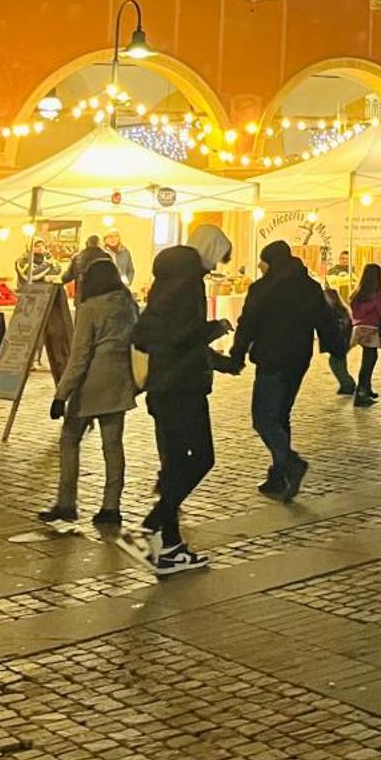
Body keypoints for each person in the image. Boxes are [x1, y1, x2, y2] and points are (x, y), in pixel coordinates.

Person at [122, 246, 233, 575]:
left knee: (173, 467)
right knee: (201, 457)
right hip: (184, 389)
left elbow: (141, 338)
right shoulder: (187, 293)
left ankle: (170, 546)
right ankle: (150, 526)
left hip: (160, 390)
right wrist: (215, 328)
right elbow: (184, 338)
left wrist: (218, 361)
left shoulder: (158, 297)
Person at [229, 240, 334, 502]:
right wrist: (335, 346)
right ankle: (279, 475)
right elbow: (325, 319)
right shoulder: (310, 287)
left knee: (263, 418)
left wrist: (237, 352)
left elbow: (248, 323)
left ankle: (290, 463)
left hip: (272, 358)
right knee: (280, 415)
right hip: (299, 359)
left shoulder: (264, 288)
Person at [39, 256, 139, 529]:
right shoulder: (128, 304)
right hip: (120, 381)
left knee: (70, 439)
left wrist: (61, 394)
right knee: (113, 446)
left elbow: (80, 356)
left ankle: (66, 503)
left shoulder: (90, 308)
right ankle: (111, 506)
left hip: (91, 384)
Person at [350, 262, 381, 407]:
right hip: (371, 329)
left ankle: (366, 388)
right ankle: (361, 392)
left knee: (367, 359)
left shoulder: (358, 294)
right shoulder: (376, 294)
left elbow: (354, 311)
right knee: (369, 360)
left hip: (359, 328)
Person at [321, 284, 358, 393]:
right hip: (340, 342)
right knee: (338, 363)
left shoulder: (336, 312)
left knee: (337, 363)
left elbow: (341, 327)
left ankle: (348, 384)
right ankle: (345, 384)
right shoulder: (340, 310)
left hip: (339, 342)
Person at [64, 235, 112, 301]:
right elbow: (112, 277)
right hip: (101, 297)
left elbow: (66, 278)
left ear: (86, 243)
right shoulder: (106, 256)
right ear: (99, 244)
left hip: (81, 298)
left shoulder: (77, 257)